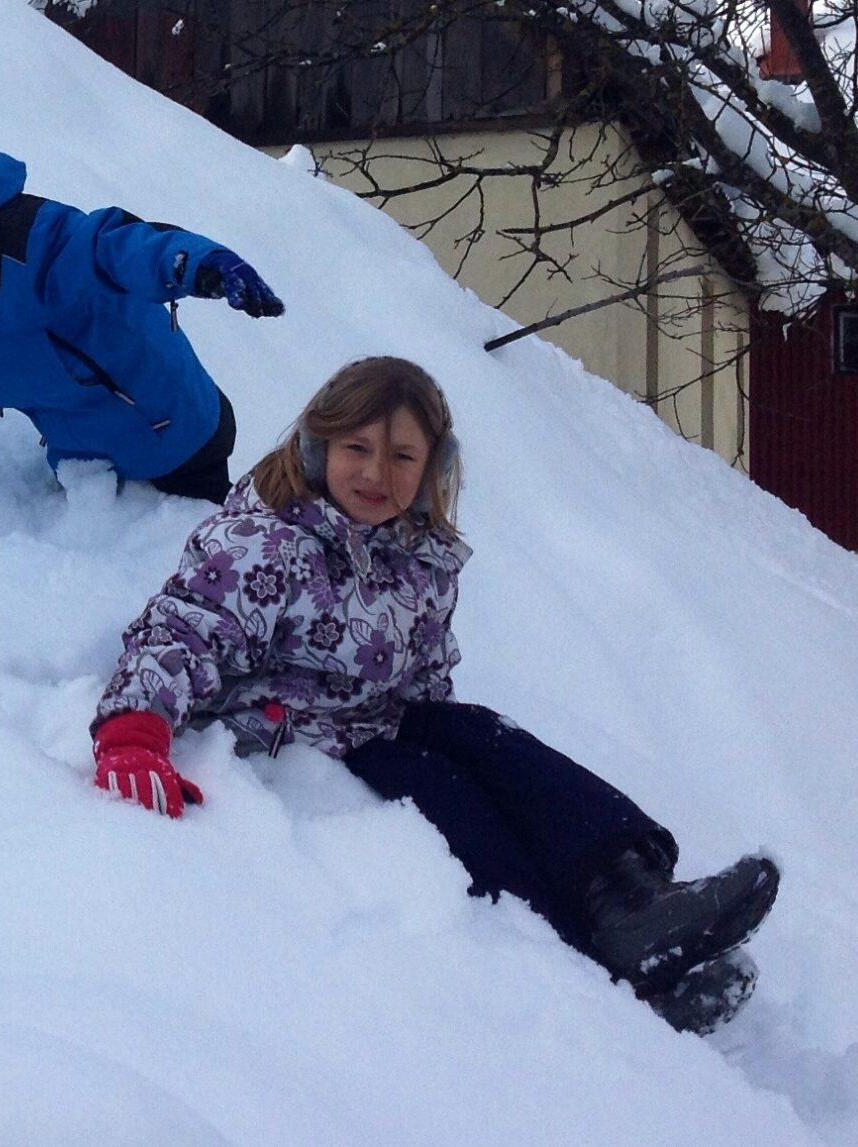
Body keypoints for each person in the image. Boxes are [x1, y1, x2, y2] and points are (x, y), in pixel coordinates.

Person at [87, 355, 781, 1035]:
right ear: (318, 446)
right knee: (455, 806)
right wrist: (135, 730)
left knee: (491, 743)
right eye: (356, 448)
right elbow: (183, 631)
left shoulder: (418, 555)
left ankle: (631, 895)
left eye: (401, 457)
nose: (374, 474)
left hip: (379, 721)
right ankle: (609, 973)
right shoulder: (263, 544)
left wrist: (463, 742)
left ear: (432, 468)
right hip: (295, 736)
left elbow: (424, 675)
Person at [0, 145, 284, 504]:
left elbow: (112, 248)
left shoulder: (30, 247)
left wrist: (199, 263)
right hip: (82, 449)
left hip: (172, 435)